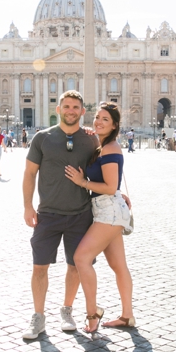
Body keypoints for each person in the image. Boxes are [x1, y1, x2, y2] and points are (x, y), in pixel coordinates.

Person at [22, 91, 99, 339]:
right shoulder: (42, 138)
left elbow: (106, 168)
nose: (71, 110)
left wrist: (119, 192)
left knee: (75, 266)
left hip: (80, 214)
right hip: (48, 214)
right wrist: (27, 206)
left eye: (75, 107)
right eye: (66, 106)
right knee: (39, 267)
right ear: (58, 109)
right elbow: (29, 173)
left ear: (82, 111)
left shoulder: (91, 140)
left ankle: (67, 310)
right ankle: (38, 317)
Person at [64, 103, 134, 332]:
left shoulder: (111, 147)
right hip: (108, 209)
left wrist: (82, 182)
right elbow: (111, 185)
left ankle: (92, 314)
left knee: (81, 258)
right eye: (97, 118)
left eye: (105, 119)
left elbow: (110, 185)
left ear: (114, 125)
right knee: (118, 265)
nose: (99, 122)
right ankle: (127, 316)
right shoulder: (103, 145)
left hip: (109, 212)